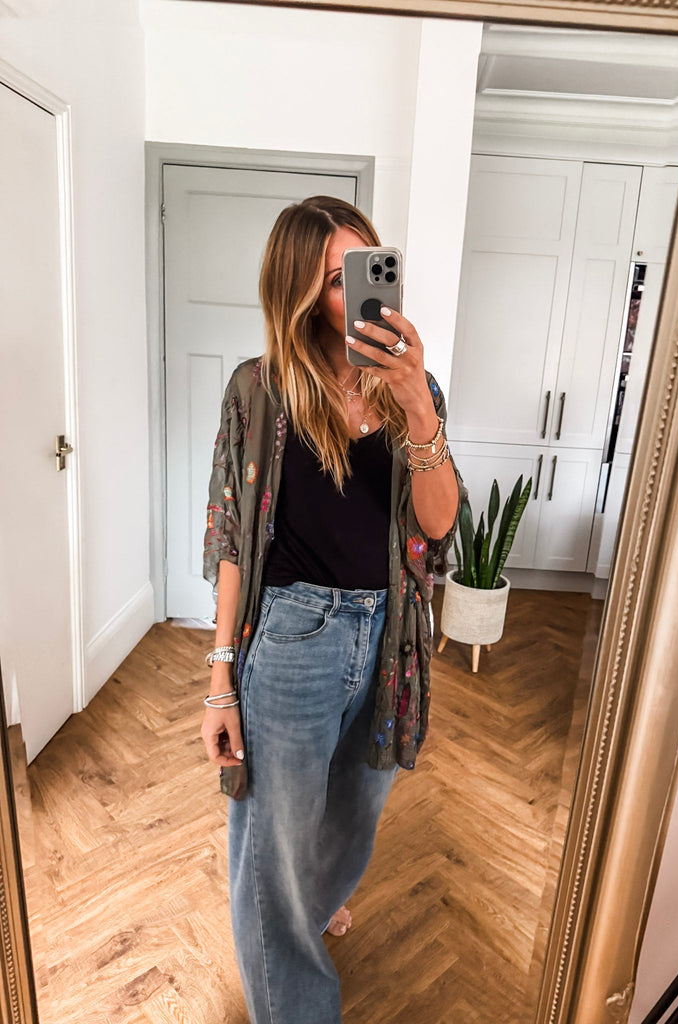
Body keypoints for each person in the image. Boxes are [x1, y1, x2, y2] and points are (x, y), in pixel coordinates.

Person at [200, 195, 463, 1024]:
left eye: (365, 267)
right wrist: (219, 677)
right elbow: (233, 537)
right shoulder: (259, 390)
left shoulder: (415, 391)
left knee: (351, 825)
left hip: (390, 638)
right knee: (273, 846)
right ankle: (294, 996)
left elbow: (438, 525)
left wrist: (417, 406)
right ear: (302, 292)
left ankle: (298, 921)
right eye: (337, 278)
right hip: (293, 635)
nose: (357, 293)